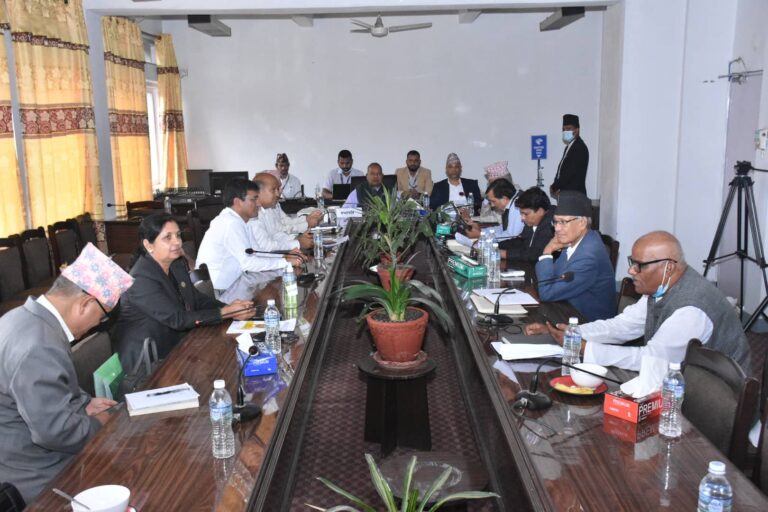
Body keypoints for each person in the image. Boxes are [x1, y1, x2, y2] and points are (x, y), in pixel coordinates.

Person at [0, 243, 134, 504]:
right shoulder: (38, 345)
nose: (97, 324)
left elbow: (50, 390)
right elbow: (54, 432)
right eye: (102, 317)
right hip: (36, 472)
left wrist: (85, 403)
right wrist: (100, 422)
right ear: (85, 304)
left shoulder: (21, 318)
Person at [527, 231, 751, 372]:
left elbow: (652, 359)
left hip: (716, 407)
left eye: (639, 265)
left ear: (668, 267)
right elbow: (624, 326)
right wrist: (573, 333)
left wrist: (587, 349)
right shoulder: (662, 286)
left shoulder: (691, 310)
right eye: (632, 262)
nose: (631, 270)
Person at [112, 214, 255, 371]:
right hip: (147, 362)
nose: (177, 242)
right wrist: (224, 313)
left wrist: (230, 308)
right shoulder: (141, 278)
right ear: (148, 245)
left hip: (177, 347)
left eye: (178, 235)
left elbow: (196, 299)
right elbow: (177, 318)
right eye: (168, 237)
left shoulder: (176, 264)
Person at [196, 178, 301, 300]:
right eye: (254, 199)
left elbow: (256, 252)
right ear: (237, 202)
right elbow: (248, 263)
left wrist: (285, 256)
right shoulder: (230, 223)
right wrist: (286, 262)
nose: (258, 204)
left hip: (234, 285)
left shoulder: (242, 221)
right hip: (218, 294)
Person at [535, 191, 615, 322]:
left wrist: (547, 251)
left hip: (587, 323)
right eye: (555, 222)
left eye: (563, 222)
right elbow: (553, 279)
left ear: (582, 222)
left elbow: (547, 293)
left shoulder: (588, 255)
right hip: (567, 311)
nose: (557, 229)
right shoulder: (578, 240)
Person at [251, 172, 314, 251]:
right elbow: (265, 247)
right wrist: (298, 243)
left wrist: (297, 239)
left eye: (278, 189)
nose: (278, 194)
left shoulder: (266, 209)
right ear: (258, 192)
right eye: (273, 190)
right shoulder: (252, 215)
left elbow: (277, 234)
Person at [499, 187, 554, 261]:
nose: (522, 218)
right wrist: (496, 246)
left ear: (540, 211)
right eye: (521, 214)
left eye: (525, 214)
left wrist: (504, 254)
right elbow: (521, 243)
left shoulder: (551, 226)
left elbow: (536, 254)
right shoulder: (531, 223)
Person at [550, 114, 588, 198]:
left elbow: (569, 173)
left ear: (577, 130)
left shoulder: (579, 147)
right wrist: (556, 186)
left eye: (568, 129)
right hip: (567, 196)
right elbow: (561, 170)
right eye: (563, 129)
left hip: (574, 197)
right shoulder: (569, 147)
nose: (565, 131)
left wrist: (554, 187)